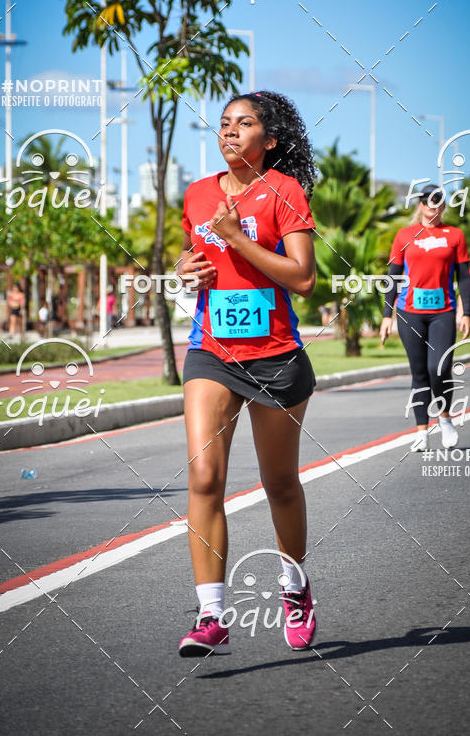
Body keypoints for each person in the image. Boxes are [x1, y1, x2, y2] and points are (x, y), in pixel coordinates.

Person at [177, 91, 318, 657]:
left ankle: (295, 587)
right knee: (204, 476)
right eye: (224, 123)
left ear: (270, 139)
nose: (230, 131)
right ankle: (211, 615)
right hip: (211, 350)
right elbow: (194, 261)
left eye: (245, 123)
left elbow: (303, 277)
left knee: (278, 482)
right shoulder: (198, 194)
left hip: (275, 354)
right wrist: (186, 269)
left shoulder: (284, 191)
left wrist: (237, 237)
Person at [380, 184, 470, 451]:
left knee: (438, 368)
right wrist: (387, 315)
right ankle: (421, 431)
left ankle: (445, 419)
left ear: (443, 206)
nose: (432, 206)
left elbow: (463, 277)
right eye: (427, 201)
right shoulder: (404, 235)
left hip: (443, 312)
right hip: (410, 313)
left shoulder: (455, 235)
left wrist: (466, 312)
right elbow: (393, 276)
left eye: (437, 201)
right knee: (419, 372)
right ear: (420, 205)